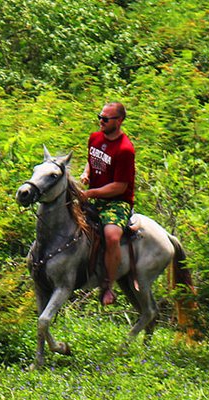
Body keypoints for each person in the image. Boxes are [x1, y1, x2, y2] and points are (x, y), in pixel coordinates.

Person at [79, 102, 134, 306]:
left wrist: (91, 192)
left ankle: (108, 285)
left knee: (111, 236)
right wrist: (86, 173)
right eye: (99, 117)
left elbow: (120, 187)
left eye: (105, 119)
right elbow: (92, 159)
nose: (101, 121)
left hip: (116, 203)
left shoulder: (125, 149)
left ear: (118, 121)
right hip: (93, 196)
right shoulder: (95, 137)